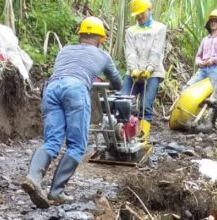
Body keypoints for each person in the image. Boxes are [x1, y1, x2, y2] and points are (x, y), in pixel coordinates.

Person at [21, 16, 122, 208]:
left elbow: (69, 68)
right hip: (75, 89)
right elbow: (117, 83)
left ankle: (33, 178)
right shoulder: (103, 56)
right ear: (101, 39)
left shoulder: (65, 50)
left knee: (52, 141)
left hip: (51, 88)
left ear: (80, 36)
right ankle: (56, 191)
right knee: (76, 145)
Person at [121, 0, 167, 143]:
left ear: (148, 9)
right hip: (133, 72)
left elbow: (156, 50)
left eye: (142, 13)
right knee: (123, 101)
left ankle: (142, 138)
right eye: (137, 14)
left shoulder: (159, 28)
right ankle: (124, 135)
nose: (139, 16)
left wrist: (149, 68)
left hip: (153, 73)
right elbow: (130, 52)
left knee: (145, 105)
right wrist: (133, 68)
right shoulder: (130, 31)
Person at [184, 9, 217, 89]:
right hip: (202, 69)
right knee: (187, 88)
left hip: (216, 68)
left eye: (215, 21)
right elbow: (198, 56)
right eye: (211, 21)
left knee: (211, 94)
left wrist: (213, 60)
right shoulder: (205, 39)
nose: (213, 23)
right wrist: (199, 62)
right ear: (209, 23)